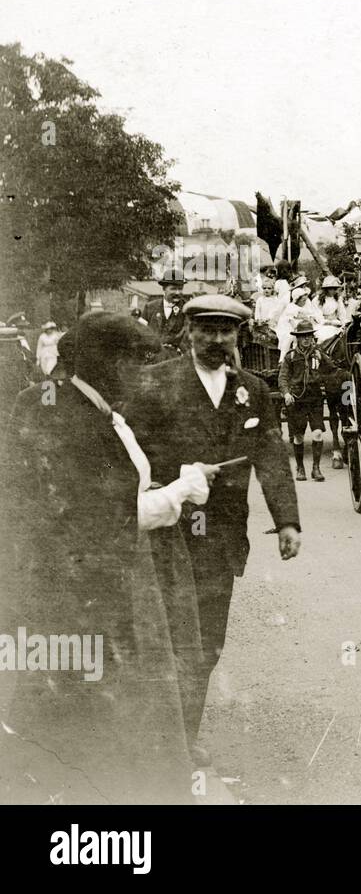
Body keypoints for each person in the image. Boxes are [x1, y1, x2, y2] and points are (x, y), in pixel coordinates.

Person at [1, 312, 213, 803]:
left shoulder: (90, 408)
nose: (144, 374)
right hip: (75, 597)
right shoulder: (59, 411)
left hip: (91, 592)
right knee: (77, 724)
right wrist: (177, 494)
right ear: (108, 364)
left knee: (81, 722)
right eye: (137, 362)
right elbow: (95, 518)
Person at [124, 295, 301, 765]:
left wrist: (287, 521)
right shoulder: (155, 382)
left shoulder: (253, 390)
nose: (217, 339)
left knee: (207, 644)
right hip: (170, 532)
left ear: (238, 335)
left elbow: (271, 457)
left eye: (226, 331)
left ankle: (186, 734)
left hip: (221, 537)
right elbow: (132, 458)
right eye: (207, 330)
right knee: (172, 638)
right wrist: (178, 477)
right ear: (188, 331)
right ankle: (167, 739)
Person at [279, 318, 342, 481]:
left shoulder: (319, 354)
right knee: (299, 436)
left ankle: (316, 468)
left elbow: (333, 370)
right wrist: (286, 393)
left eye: (309, 336)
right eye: (303, 336)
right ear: (297, 338)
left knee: (318, 434)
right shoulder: (291, 357)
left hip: (315, 399)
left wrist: (346, 377)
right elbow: (283, 377)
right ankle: (300, 468)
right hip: (297, 400)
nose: (306, 339)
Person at [145, 268, 189, 351]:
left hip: (176, 356)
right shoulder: (150, 307)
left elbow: (186, 337)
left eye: (180, 289)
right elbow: (141, 331)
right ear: (164, 289)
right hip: (151, 355)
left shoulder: (187, 309)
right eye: (173, 289)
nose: (177, 292)